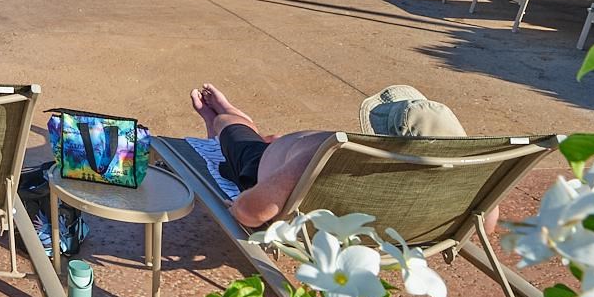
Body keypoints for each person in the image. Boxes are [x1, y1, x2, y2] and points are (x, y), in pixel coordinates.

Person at [189, 83, 467, 228]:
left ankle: (222, 116)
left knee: (230, 128)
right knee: (271, 140)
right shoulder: (462, 175)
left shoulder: (338, 156)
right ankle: (240, 126)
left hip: (259, 165)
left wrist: (237, 206)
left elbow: (251, 212)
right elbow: (487, 223)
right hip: (285, 154)